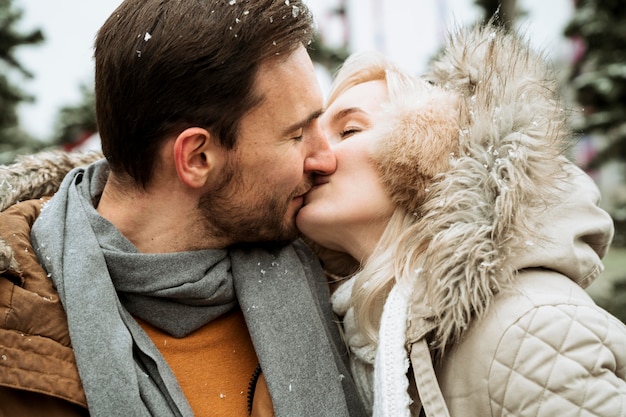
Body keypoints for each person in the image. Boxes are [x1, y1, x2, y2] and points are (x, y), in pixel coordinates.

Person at [0, 1, 367, 416]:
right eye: (297, 134)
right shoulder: (13, 335)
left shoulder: (350, 287)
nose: (326, 158)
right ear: (196, 158)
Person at [297, 23, 626, 416]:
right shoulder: (366, 343)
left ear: (422, 152)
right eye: (305, 138)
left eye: (348, 130)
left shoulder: (525, 327)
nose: (314, 157)